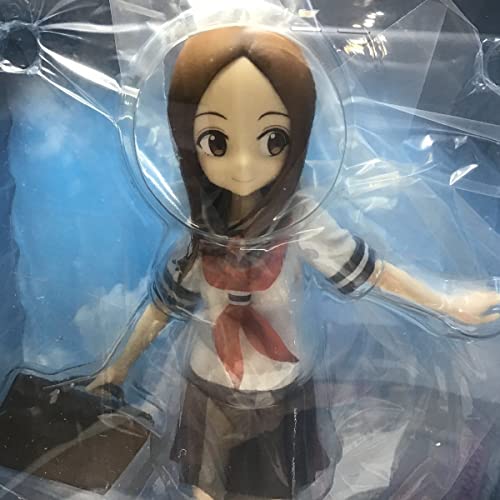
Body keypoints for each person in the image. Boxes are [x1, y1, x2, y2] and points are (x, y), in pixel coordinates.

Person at [88, 27, 500, 499]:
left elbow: (372, 274)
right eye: (217, 141)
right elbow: (163, 306)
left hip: (282, 388)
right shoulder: (200, 235)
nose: (244, 163)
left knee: (273, 489)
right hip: (210, 384)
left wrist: (447, 304)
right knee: (205, 488)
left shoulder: (302, 221)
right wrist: (118, 369)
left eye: (272, 138)